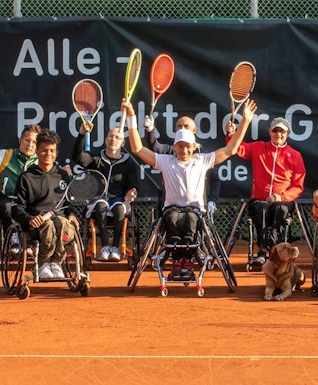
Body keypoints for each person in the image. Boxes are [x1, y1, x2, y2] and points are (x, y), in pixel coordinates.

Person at [125, 101, 255, 279]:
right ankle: (177, 262)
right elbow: (137, 148)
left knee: (191, 221)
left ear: (194, 147)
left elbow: (231, 149)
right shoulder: (165, 161)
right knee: (172, 218)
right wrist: (131, 117)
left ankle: (186, 262)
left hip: (195, 211)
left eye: (187, 146)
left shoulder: (202, 160)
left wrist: (245, 121)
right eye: (180, 146)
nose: (184, 150)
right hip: (171, 210)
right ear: (174, 147)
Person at [71, 115, 148, 263]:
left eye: (117, 137)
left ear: (122, 142)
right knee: (101, 205)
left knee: (119, 208)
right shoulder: (96, 159)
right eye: (110, 136)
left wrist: (131, 193)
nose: (113, 139)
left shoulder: (129, 163)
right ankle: (105, 247)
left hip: (118, 200)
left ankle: (115, 248)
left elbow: (133, 185)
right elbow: (78, 157)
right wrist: (82, 134)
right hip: (98, 199)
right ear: (106, 140)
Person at [6, 129, 77, 281]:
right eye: (44, 150)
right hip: (35, 225)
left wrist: (71, 214)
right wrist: (30, 219)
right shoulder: (26, 177)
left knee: (62, 222)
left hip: (58, 221)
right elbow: (17, 208)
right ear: (37, 151)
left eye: (52, 151)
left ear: (56, 153)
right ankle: (43, 264)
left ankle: (56, 263)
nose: (48, 154)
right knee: (48, 225)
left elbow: (68, 202)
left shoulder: (63, 175)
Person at [235, 117, 306, 265]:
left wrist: (281, 197)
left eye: (282, 131)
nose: (278, 134)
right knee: (261, 207)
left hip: (283, 201)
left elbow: (298, 187)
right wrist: (231, 134)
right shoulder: (258, 147)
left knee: (279, 208)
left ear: (288, 133)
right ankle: (262, 250)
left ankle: (275, 250)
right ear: (270, 132)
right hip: (259, 200)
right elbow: (237, 148)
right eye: (275, 130)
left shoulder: (295, 155)